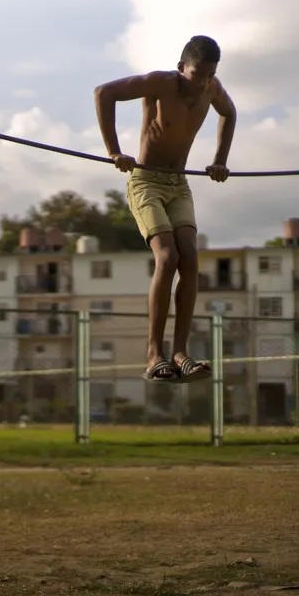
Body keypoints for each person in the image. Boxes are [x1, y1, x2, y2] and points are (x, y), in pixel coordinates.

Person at [94, 35, 237, 382]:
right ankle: (153, 354)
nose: (203, 82)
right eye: (197, 74)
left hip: (179, 185)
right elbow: (104, 93)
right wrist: (114, 150)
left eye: (210, 75)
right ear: (180, 68)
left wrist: (220, 160)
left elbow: (229, 114)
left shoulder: (211, 89)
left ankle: (180, 352)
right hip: (146, 182)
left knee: (189, 256)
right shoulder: (161, 83)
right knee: (167, 257)